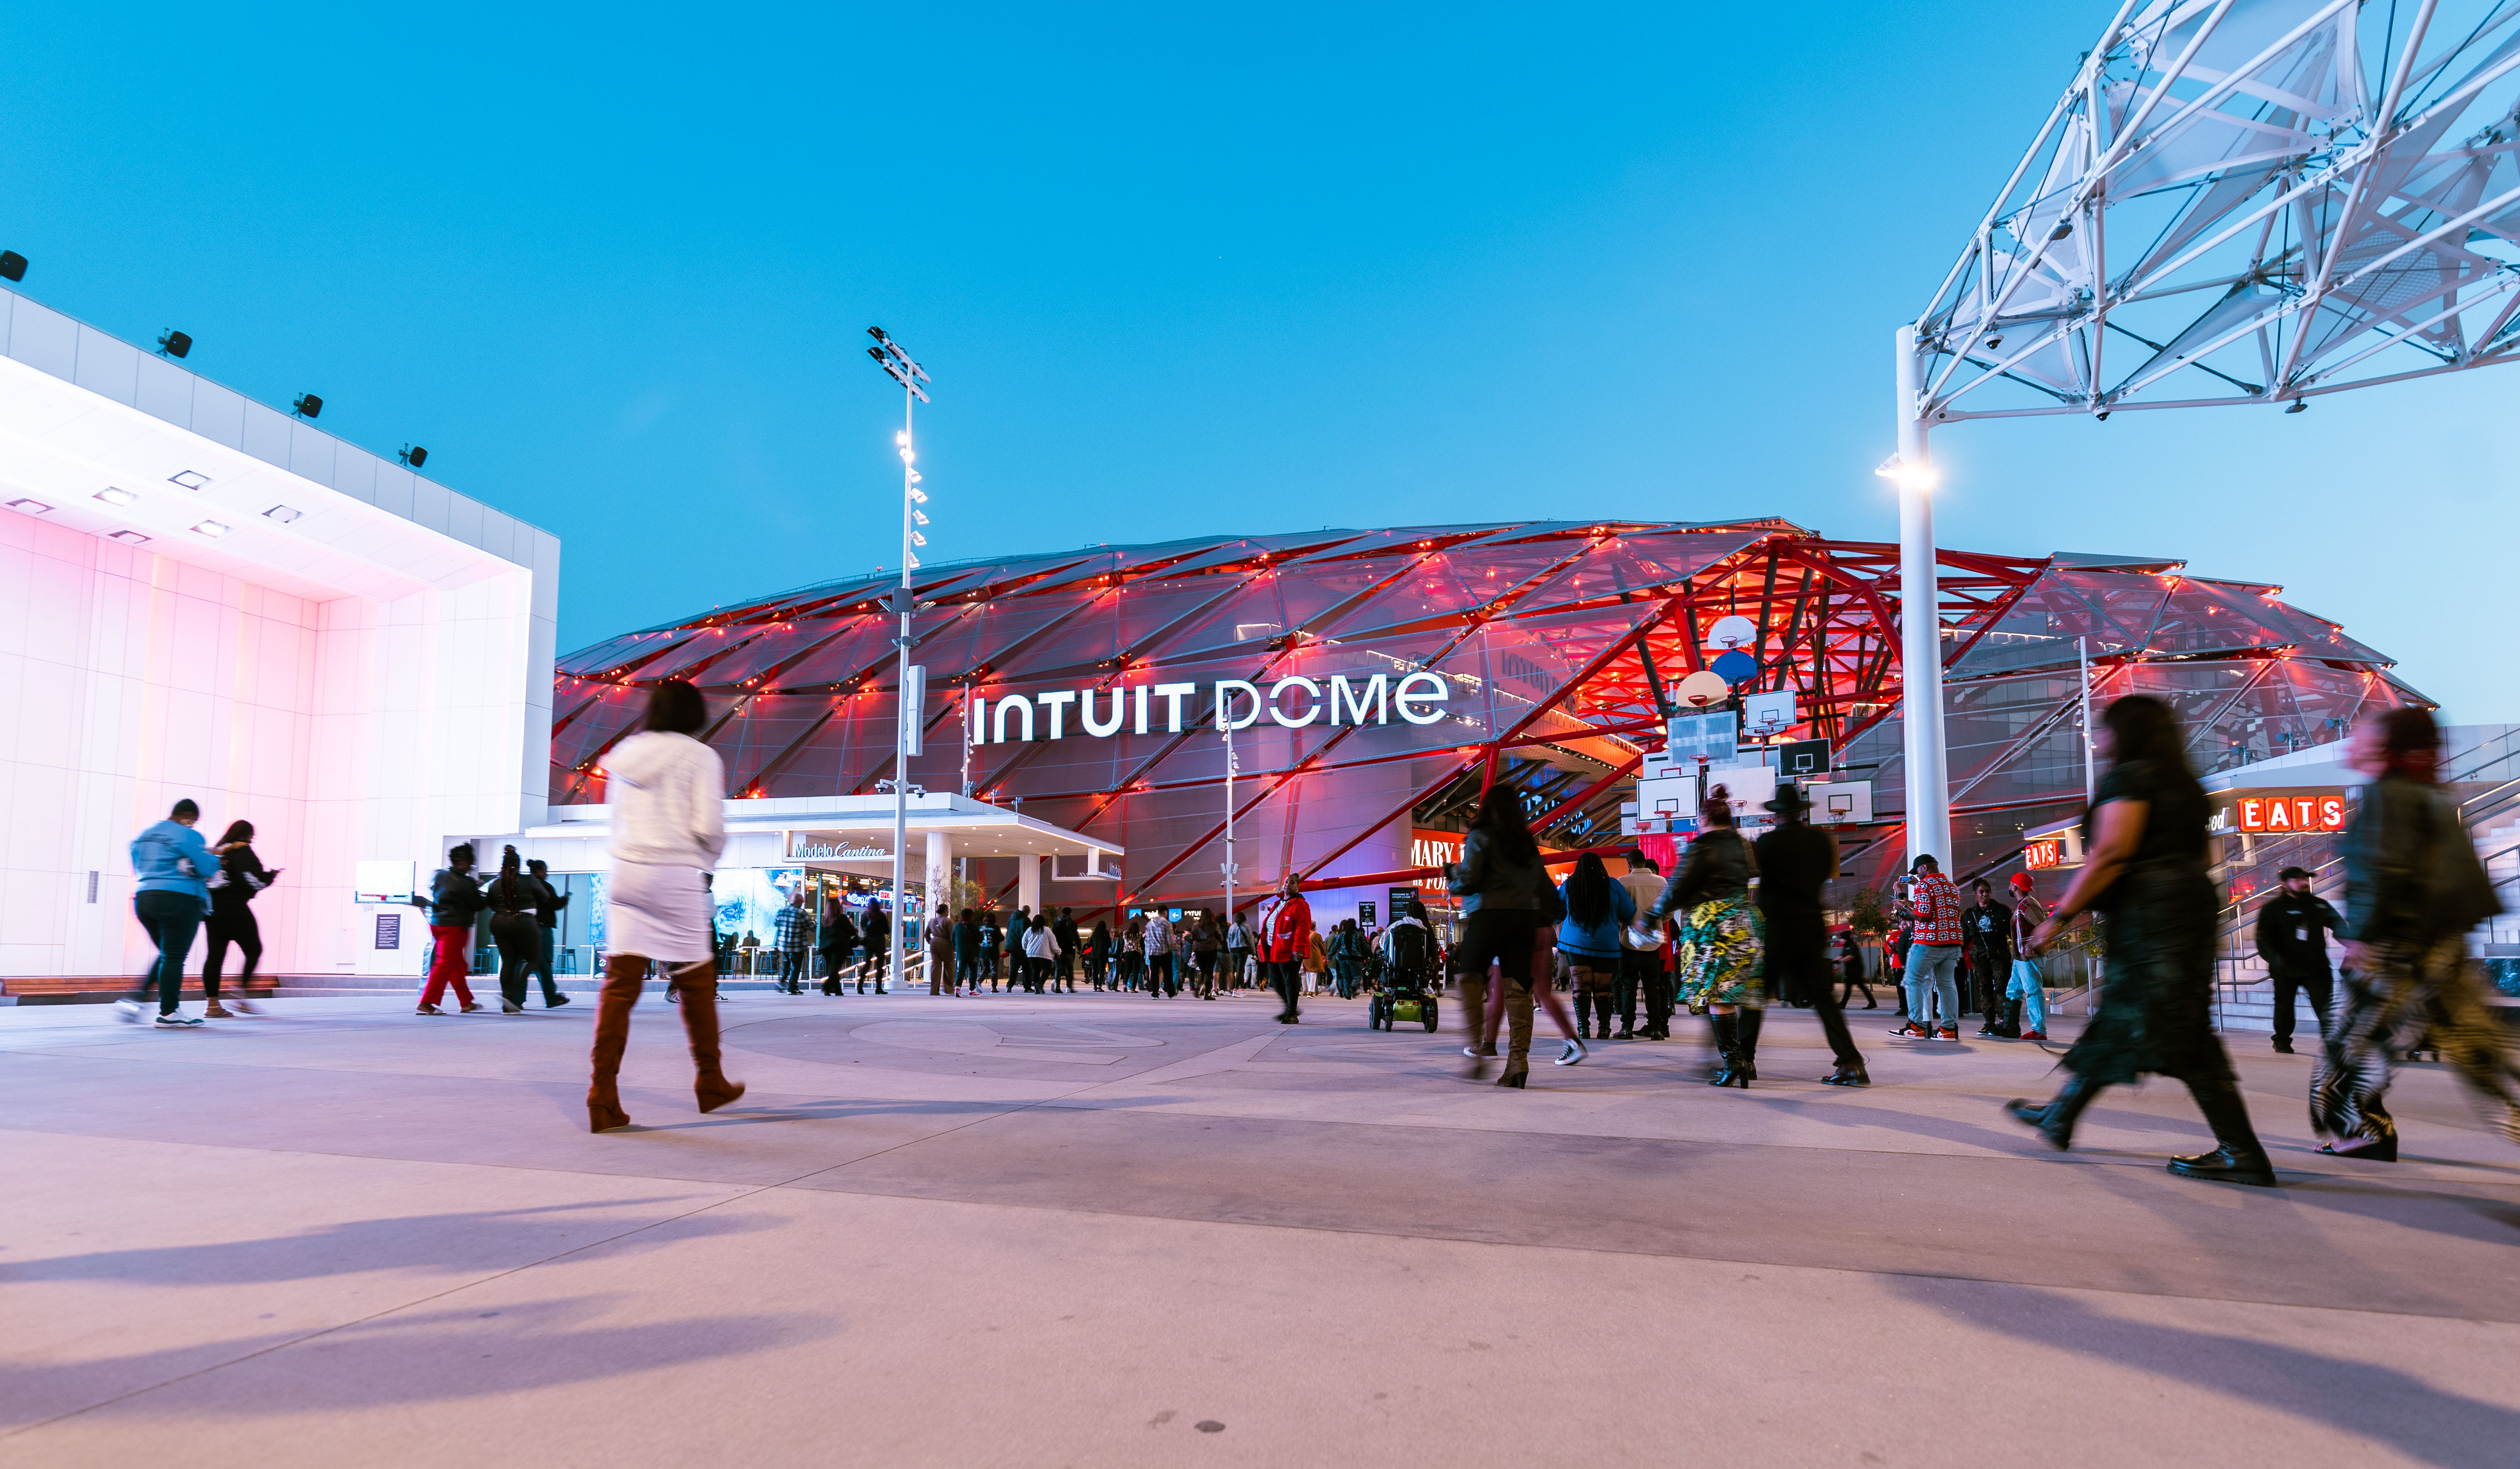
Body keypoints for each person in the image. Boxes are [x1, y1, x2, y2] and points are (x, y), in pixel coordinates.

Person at [2008, 695, 2275, 1187]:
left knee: (2170, 1027)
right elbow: (2195, 857)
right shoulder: (2186, 788)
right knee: (2135, 1016)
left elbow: (2110, 853)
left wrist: (2056, 920)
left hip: (2151, 916)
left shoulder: (2130, 777)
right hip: (2186, 909)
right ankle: (2060, 1116)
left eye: (2105, 729)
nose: (2099, 738)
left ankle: (2241, 1151)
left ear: (2127, 734)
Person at [2312, 708, 2517, 1159]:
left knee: (2344, 1051)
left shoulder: (2389, 795)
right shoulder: (2424, 794)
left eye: (2358, 735)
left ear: (2385, 746)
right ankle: (2365, 1131)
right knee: (2478, 1050)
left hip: (2396, 949)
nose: (2349, 743)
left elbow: (2384, 871)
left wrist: (2361, 937)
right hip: (2434, 946)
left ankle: (2361, 1131)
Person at [586, 679, 746, 1133]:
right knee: (696, 982)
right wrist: (707, 859)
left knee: (620, 986)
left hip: (626, 872)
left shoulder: (627, 755)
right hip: (673, 872)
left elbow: (616, 820)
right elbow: (708, 825)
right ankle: (709, 1080)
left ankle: (603, 1093)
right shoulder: (699, 756)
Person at [1638, 784, 1764, 1087]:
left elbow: (1678, 887)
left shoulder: (1702, 846)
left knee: (1717, 997)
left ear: (1704, 819)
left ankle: (1733, 1062)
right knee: (1730, 995)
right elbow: (1752, 872)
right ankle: (1739, 1060)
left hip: (1710, 927)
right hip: (1741, 922)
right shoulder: (1743, 844)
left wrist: (1651, 917)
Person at [1757, 786, 1868, 1085]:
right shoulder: (1820, 841)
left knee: (1757, 995)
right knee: (1823, 998)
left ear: (1778, 814)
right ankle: (1852, 1063)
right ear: (1801, 811)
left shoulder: (1767, 843)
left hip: (1779, 927)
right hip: (1810, 927)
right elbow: (1820, 878)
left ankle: (1741, 1059)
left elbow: (1765, 888)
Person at [1447, 786, 1548, 1085]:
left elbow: (1469, 880)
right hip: (1523, 920)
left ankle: (1479, 1051)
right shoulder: (1526, 842)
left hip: (1490, 915)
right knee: (1520, 988)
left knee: (1468, 977)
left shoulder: (1481, 837)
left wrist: (1451, 874)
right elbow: (1538, 883)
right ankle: (1518, 1062)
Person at [122, 798, 216, 1027]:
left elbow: (137, 865)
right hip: (179, 900)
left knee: (168, 954)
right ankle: (169, 1013)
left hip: (144, 899)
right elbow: (207, 868)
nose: (192, 825)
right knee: (173, 956)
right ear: (188, 815)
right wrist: (213, 859)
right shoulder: (188, 835)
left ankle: (139, 997)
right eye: (193, 821)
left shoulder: (145, 834)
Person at [2256, 866, 2342, 1055]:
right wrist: (2276, 961)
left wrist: (2353, 944)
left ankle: (2333, 1043)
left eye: (2305, 879)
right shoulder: (2273, 909)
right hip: (2286, 968)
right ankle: (2282, 1041)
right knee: (2284, 1007)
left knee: (2325, 1007)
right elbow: (2264, 940)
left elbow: (2339, 925)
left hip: (2317, 968)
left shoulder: (2319, 905)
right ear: (2285, 884)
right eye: (2298, 880)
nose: (2304, 883)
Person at [1557, 851, 1632, 1060]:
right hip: (1606, 944)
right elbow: (1629, 912)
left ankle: (1583, 1029)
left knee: (1581, 986)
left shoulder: (1570, 885)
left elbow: (1558, 912)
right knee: (1603, 987)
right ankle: (1605, 1028)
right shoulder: (1613, 884)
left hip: (1576, 943)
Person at [202, 819, 279, 1018]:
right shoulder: (242, 850)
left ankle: (213, 1005)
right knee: (254, 950)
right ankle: (239, 995)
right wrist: (271, 876)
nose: (252, 840)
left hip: (212, 909)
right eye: (251, 835)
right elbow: (252, 879)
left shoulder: (217, 852)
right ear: (246, 835)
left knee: (215, 956)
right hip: (234, 906)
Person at [1893, 856, 1964, 1041]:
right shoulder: (1952, 886)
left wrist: (1903, 908)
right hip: (1953, 942)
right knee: (1946, 985)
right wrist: (1909, 903)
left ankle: (1917, 1026)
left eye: (1917, 870)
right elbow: (1936, 911)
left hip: (1929, 943)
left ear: (1924, 867)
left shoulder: (1924, 885)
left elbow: (1923, 916)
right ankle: (1948, 1029)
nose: (1917, 875)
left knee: (1912, 980)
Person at [415, 844, 485, 1016]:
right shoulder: (466, 882)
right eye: (470, 864)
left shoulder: (440, 874)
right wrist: (483, 892)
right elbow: (477, 904)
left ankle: (466, 1002)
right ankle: (427, 1002)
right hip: (455, 926)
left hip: (437, 924)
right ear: (464, 862)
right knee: (444, 963)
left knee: (456, 964)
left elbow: (444, 892)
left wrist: (471, 888)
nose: (470, 868)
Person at [479, 846, 544, 1014]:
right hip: (523, 922)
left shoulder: (494, 884)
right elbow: (545, 897)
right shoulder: (529, 880)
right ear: (519, 865)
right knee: (533, 959)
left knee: (508, 962)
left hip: (498, 923)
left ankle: (507, 1003)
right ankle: (511, 994)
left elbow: (490, 904)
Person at [1614, 851, 1668, 1040]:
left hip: (1629, 941)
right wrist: (1658, 923)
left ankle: (1627, 1028)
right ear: (1645, 862)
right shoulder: (1661, 882)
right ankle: (1655, 1029)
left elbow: (1618, 910)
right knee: (1653, 987)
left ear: (1629, 864)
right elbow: (1669, 910)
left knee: (1628, 986)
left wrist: (1624, 924)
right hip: (1653, 943)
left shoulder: (1623, 881)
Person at [1964, 879, 2013, 1038]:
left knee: (2002, 988)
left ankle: (2004, 1022)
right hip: (1979, 955)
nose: (1985, 894)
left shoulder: (2003, 910)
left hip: (1999, 953)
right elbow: (1964, 937)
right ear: (1975, 894)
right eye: (1981, 892)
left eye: (1987, 891)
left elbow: (2011, 933)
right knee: (1984, 988)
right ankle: (1989, 1023)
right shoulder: (1970, 913)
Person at [523, 859, 572, 1009]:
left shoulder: (523, 886)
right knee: (544, 963)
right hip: (542, 929)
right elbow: (553, 904)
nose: (547, 874)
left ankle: (516, 1000)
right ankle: (551, 997)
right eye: (545, 871)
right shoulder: (544, 886)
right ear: (538, 871)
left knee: (523, 964)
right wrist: (564, 899)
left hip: (523, 928)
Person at [2006, 873, 2049, 1040]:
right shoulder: (2025, 904)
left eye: (2011, 884)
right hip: (2020, 959)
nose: (2010, 887)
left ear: (2015, 887)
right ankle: (2009, 1026)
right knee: (2013, 990)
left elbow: (2043, 927)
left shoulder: (2027, 905)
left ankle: (2039, 1030)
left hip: (2028, 957)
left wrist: (2031, 947)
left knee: (2033, 991)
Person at [1264, 879, 1313, 1023]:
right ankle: (1290, 1008)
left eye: (1291, 882)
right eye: (1286, 882)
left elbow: (1303, 927)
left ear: (1297, 887)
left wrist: (1298, 949)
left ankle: (1292, 1013)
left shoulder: (1300, 904)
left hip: (1289, 949)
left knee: (1290, 980)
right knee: (1275, 980)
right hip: (1275, 948)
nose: (1287, 885)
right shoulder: (1278, 903)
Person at [774, 887, 813, 995]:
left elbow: (776, 924)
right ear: (799, 902)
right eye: (802, 902)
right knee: (795, 966)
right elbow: (811, 927)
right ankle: (792, 988)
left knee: (786, 963)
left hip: (783, 944)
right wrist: (814, 923)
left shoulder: (782, 910)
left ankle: (783, 980)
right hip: (797, 945)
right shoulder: (801, 913)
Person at [821, 896, 858, 996]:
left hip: (826, 947)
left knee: (833, 968)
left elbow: (821, 934)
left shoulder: (825, 919)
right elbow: (851, 931)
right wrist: (854, 929)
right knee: (835, 968)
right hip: (839, 947)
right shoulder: (842, 918)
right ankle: (827, 987)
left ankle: (837, 990)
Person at [1837, 930, 1875, 1009]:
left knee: (1849, 987)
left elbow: (1851, 956)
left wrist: (1841, 961)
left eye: (1841, 939)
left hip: (1856, 971)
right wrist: (1833, 961)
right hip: (1851, 971)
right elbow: (1841, 956)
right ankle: (1872, 1003)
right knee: (1860, 987)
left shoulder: (1852, 946)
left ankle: (1843, 1004)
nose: (1840, 940)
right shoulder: (1846, 947)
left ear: (1846, 939)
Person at [860, 899, 890, 993]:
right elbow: (887, 930)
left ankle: (860, 984)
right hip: (880, 942)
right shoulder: (882, 916)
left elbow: (863, 928)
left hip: (868, 941)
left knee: (867, 963)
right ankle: (879, 987)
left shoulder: (865, 916)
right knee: (880, 965)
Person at [1087, 917, 1113, 990]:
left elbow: (1090, 944)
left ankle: (1095, 986)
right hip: (1103, 955)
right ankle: (1100, 986)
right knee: (1102, 971)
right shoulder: (1106, 935)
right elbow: (1109, 945)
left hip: (1094, 955)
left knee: (1095, 971)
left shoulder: (1094, 934)